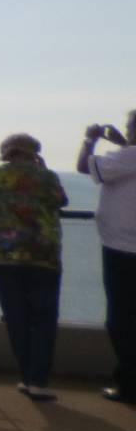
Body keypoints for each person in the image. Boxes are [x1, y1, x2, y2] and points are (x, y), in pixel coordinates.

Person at [0, 133, 68, 401]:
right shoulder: (47, 176)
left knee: (16, 317)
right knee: (43, 318)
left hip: (4, 256)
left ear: (6, 152)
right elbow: (61, 201)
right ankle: (38, 379)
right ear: (35, 152)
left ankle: (27, 375)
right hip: (42, 254)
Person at [78, 109, 136, 404]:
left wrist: (90, 139)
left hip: (123, 250)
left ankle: (129, 385)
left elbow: (83, 167)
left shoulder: (128, 157)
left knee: (121, 321)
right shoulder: (129, 155)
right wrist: (124, 143)